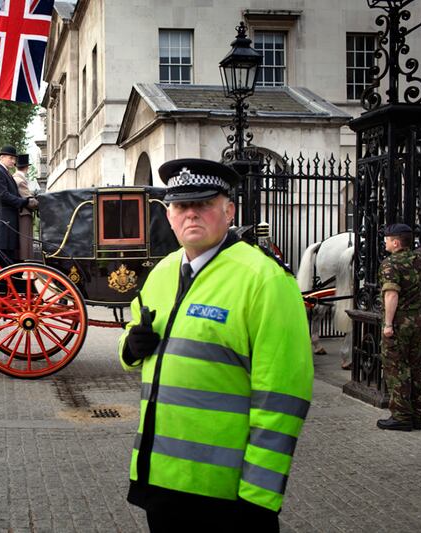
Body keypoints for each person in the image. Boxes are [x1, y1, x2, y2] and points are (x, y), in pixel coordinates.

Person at [118, 159, 313, 532]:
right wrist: (130, 347)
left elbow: (283, 397)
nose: (191, 214)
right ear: (169, 215)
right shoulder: (162, 271)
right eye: (180, 205)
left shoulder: (265, 279)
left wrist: (260, 496)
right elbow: (133, 334)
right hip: (160, 478)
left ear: (228, 211)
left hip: (226, 496)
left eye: (203, 204)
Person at [377, 224, 421, 431]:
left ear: (396, 242)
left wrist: (388, 324)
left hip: (399, 324)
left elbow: (391, 294)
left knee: (397, 369)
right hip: (417, 322)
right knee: (415, 368)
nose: (385, 242)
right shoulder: (418, 258)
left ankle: (401, 417)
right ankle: (417, 415)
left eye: (387, 239)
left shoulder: (390, 264)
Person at [0, 145, 38, 263]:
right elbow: (3, 196)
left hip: (9, 223)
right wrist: (24, 202)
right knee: (5, 260)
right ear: (2, 157)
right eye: (11, 158)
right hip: (4, 223)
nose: (13, 161)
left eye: (14, 159)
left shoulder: (6, 173)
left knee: (10, 259)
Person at [13, 153, 34, 260]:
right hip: (24, 215)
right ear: (27, 167)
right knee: (25, 245)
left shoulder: (15, 178)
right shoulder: (20, 180)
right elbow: (29, 201)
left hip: (19, 214)